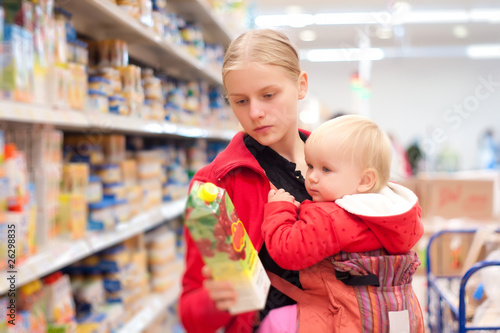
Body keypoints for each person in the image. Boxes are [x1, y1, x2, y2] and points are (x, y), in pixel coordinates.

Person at [179, 29, 311, 333]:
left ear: (301, 85)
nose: (255, 113)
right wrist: (217, 300)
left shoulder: (340, 161)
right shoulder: (212, 188)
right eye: (240, 101)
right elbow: (192, 316)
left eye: (268, 95)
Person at [261, 115, 425, 332]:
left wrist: (279, 209)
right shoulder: (396, 211)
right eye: (310, 166)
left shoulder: (333, 217)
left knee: (274, 322)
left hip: (345, 320)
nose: (311, 177)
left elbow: (287, 251)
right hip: (398, 316)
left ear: (365, 180)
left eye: (326, 169)